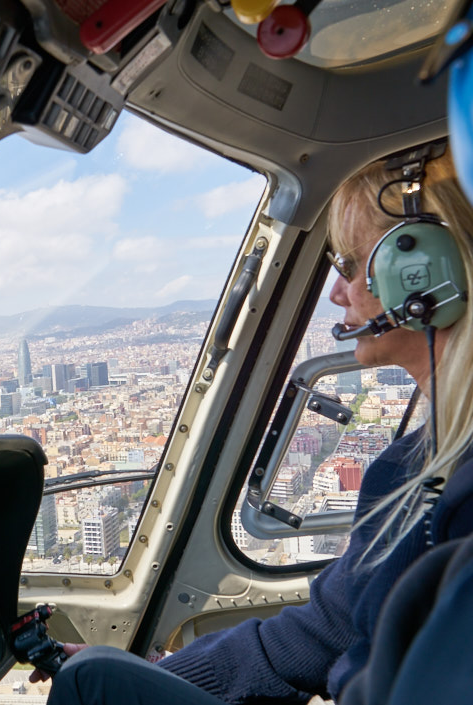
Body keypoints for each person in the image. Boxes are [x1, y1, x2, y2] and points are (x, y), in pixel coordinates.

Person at [41, 146, 473, 705]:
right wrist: (163, 676)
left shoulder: (454, 490)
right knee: (103, 676)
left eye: (347, 264)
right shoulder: (414, 465)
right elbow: (322, 630)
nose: (334, 292)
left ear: (423, 273)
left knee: (87, 687)